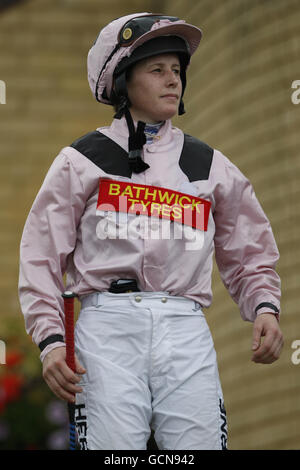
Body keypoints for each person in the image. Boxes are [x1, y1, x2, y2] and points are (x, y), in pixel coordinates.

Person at [18, 13, 283, 450]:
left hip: (185, 326)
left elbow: (249, 252)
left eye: (177, 70)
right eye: (157, 70)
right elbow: (40, 258)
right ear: (122, 81)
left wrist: (265, 308)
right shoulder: (80, 160)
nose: (172, 80)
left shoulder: (210, 165)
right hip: (106, 329)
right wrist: (50, 343)